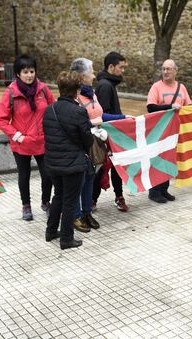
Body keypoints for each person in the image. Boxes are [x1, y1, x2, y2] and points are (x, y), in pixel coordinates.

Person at [0, 54, 55, 221]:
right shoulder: (11, 93)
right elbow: (0, 120)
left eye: (32, 71)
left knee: (48, 174)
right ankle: (26, 206)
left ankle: (45, 202)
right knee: (24, 175)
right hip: (21, 143)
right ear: (18, 74)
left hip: (43, 141)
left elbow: (54, 110)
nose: (29, 75)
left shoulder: (43, 89)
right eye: (25, 72)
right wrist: (17, 136)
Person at [70, 57, 123, 232]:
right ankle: (76, 216)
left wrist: (121, 118)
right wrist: (95, 122)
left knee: (90, 180)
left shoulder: (91, 93)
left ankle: (86, 212)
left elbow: (100, 115)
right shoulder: (73, 96)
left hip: (95, 144)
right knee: (79, 181)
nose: (94, 75)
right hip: (81, 145)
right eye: (91, 71)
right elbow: (79, 122)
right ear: (81, 75)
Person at [43, 71, 93, 250]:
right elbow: (87, 140)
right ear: (77, 91)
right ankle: (66, 238)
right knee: (70, 201)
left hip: (53, 163)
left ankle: (50, 231)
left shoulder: (50, 110)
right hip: (73, 164)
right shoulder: (79, 111)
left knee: (58, 196)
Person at [146, 59, 191, 203]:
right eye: (163, 69)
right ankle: (154, 192)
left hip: (175, 131)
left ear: (175, 71)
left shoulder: (181, 88)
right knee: (158, 159)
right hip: (159, 130)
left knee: (169, 159)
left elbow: (188, 107)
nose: (165, 72)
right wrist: (170, 106)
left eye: (168, 69)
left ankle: (164, 189)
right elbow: (151, 107)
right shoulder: (156, 87)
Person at [95, 51, 129, 211]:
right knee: (102, 167)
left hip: (113, 134)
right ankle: (92, 200)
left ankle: (118, 196)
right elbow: (101, 114)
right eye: (120, 67)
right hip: (107, 135)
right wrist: (123, 117)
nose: (122, 71)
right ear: (111, 67)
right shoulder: (105, 85)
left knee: (116, 166)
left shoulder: (109, 84)